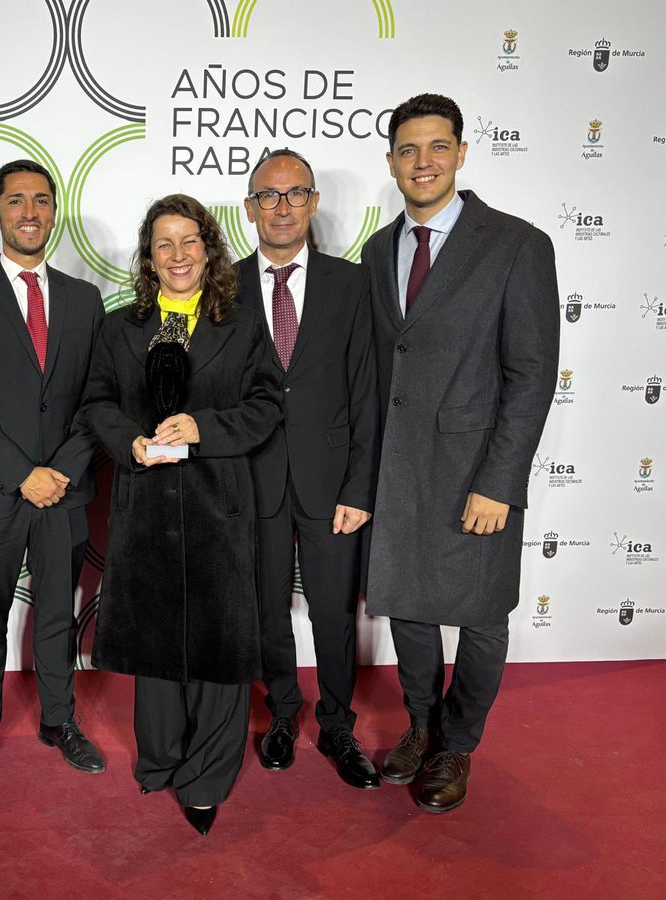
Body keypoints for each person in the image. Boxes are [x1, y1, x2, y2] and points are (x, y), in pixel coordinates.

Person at [362, 94, 558, 813]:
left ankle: (458, 745)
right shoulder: (377, 248)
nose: (423, 162)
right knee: (409, 610)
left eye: (437, 147)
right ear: (390, 162)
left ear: (462, 153)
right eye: (409, 150)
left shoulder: (515, 244)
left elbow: (531, 374)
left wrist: (500, 482)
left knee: (478, 617)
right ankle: (421, 724)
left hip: (476, 475)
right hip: (397, 470)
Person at [80, 194, 283, 835]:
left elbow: (265, 405)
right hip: (146, 506)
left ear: (208, 248)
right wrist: (128, 442)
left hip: (220, 501)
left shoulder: (243, 323)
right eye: (163, 244)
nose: (177, 255)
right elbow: (97, 401)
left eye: (188, 242)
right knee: (156, 644)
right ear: (148, 255)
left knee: (221, 649)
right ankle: (161, 759)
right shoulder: (121, 328)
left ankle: (207, 777)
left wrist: (202, 427)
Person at [0, 160, 106, 791]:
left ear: (54, 211)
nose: (29, 212)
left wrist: (58, 471)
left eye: (40, 200)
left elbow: (98, 397)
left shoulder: (86, 300)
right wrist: (21, 474)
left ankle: (60, 722)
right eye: (16, 201)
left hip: (64, 491)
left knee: (58, 614)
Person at [238, 150, 380, 789]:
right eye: (269, 195)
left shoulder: (351, 285)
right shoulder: (225, 286)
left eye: (296, 194)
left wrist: (359, 485)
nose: (283, 206)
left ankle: (339, 725)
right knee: (267, 607)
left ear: (315, 202)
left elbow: (367, 392)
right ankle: (282, 715)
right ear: (249, 209)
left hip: (332, 485)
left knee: (332, 610)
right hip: (253, 481)